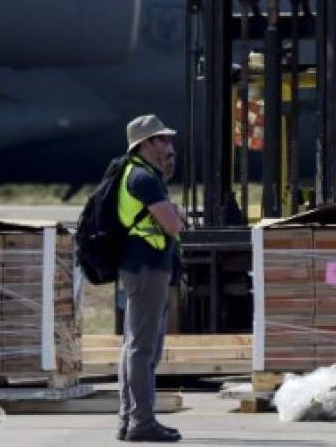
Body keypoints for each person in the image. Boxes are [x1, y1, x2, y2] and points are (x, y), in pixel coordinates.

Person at [117, 114, 184, 442]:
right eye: (161, 140)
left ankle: (129, 419)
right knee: (144, 351)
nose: (169, 145)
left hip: (139, 267)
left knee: (135, 346)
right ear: (144, 144)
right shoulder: (143, 178)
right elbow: (172, 225)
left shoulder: (142, 175)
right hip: (147, 269)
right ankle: (141, 422)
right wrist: (178, 217)